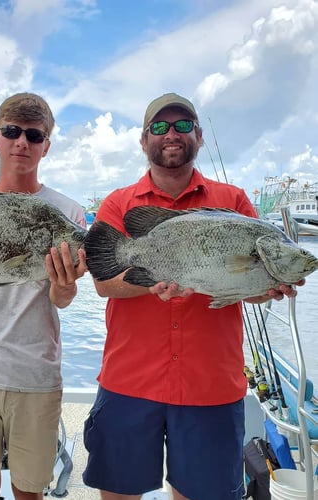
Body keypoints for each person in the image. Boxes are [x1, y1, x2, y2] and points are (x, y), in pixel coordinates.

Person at [81, 92, 302, 500]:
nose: (172, 134)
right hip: (130, 380)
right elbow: (103, 282)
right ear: (144, 139)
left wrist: (267, 285)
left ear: (198, 136)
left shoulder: (232, 201)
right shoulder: (119, 203)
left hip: (211, 384)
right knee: (117, 493)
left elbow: (246, 289)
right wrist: (153, 279)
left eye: (183, 126)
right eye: (160, 127)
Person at [0, 92, 87, 500]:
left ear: (46, 145)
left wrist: (64, 284)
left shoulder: (69, 213)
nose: (21, 142)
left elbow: (61, 300)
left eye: (34, 135)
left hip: (36, 374)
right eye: (11, 132)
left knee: (29, 490)